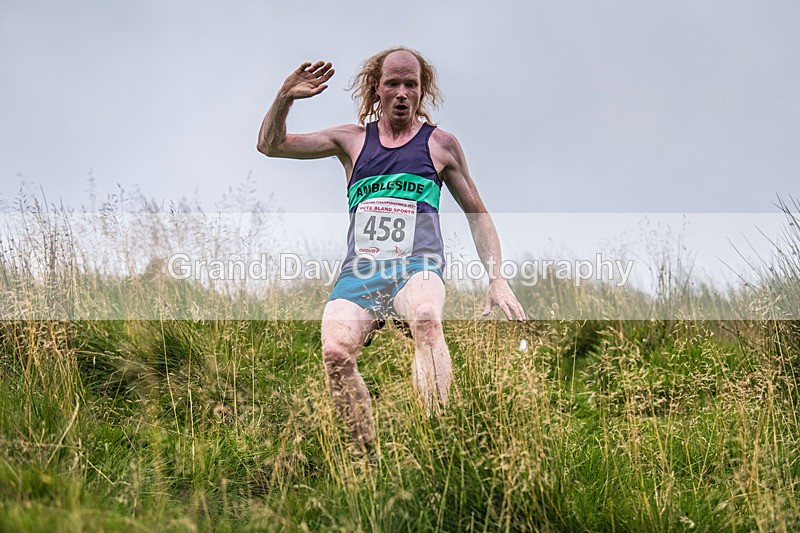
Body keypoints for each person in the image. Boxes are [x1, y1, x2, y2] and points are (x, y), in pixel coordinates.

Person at [257, 47, 525, 456]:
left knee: (424, 317)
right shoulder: (351, 140)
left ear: (422, 92)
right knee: (334, 351)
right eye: (392, 84)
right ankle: (365, 458)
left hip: (417, 266)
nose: (402, 92)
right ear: (376, 89)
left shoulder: (440, 146)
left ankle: (439, 447)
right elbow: (270, 145)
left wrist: (497, 277)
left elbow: (478, 213)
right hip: (361, 272)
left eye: (411, 84)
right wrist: (284, 97)